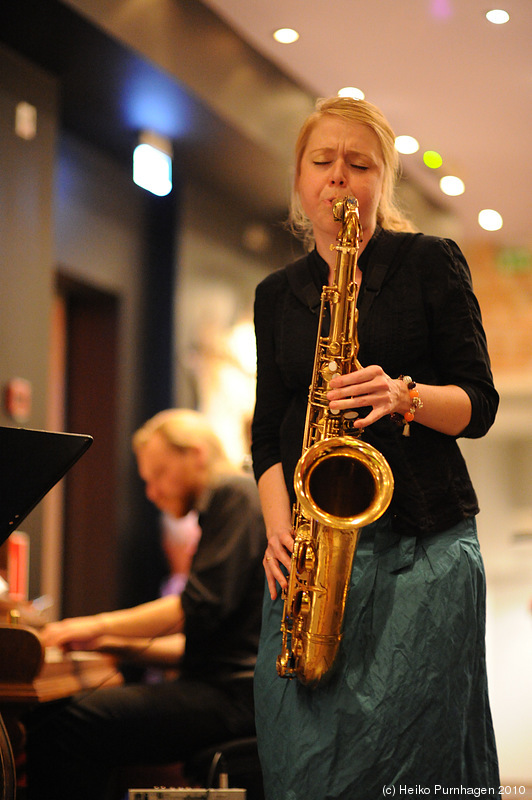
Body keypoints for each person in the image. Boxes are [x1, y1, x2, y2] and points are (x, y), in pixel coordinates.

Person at [251, 96, 500, 798]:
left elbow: (479, 405)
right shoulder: (277, 294)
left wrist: (407, 397)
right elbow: (268, 429)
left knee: (415, 762)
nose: (338, 178)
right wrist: (277, 522)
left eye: (358, 164)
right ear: (299, 180)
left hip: (426, 546)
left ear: (381, 182)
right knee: (302, 761)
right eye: (322, 161)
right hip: (309, 550)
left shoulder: (429, 263)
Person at [25, 409, 266, 800]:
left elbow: (195, 607)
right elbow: (202, 645)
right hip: (226, 690)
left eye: (158, 475)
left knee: (65, 726)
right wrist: (109, 645)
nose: (152, 492)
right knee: (67, 721)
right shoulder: (227, 505)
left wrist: (95, 625)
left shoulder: (235, 495)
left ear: (197, 454)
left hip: (235, 698)